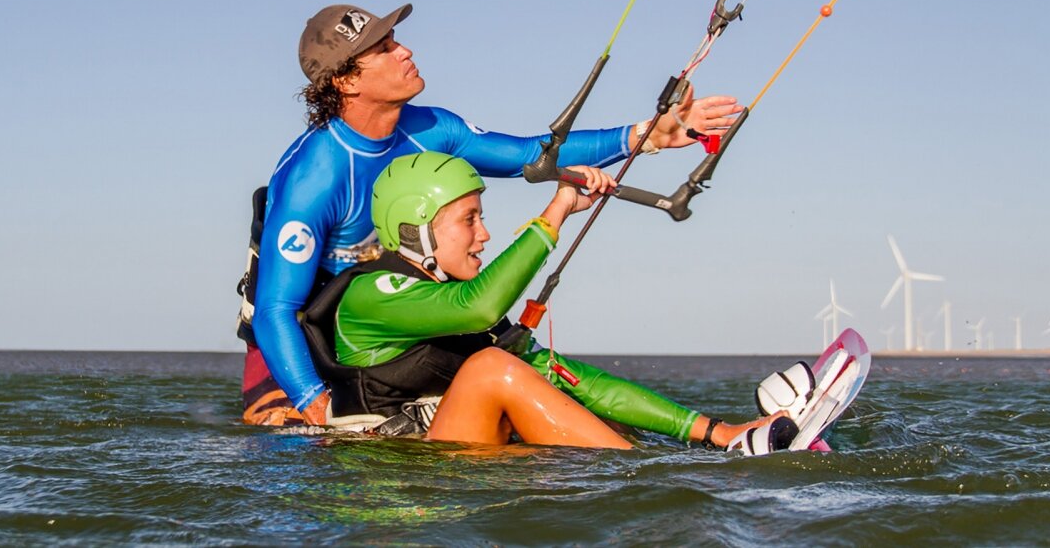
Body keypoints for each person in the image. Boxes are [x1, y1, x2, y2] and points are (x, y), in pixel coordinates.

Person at [239, 2, 745, 426]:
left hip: (395, 320)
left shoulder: (431, 128)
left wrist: (645, 136)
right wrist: (311, 399)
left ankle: (711, 437)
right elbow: (275, 311)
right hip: (299, 338)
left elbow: (531, 155)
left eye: (396, 38)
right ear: (347, 81)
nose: (406, 50)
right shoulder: (315, 177)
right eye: (385, 48)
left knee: (518, 390)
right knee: (300, 453)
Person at [306, 151, 786, 448]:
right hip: (400, 494)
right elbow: (479, 305)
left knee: (602, 419)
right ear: (416, 229)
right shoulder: (373, 294)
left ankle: (720, 451)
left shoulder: (456, 302)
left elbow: (576, 380)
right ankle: (652, 474)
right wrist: (556, 211)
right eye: (469, 220)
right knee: (491, 367)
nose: (485, 235)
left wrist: (714, 430)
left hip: (455, 468)